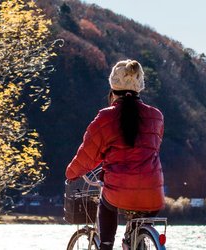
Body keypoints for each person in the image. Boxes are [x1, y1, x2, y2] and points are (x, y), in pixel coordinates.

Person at [65, 59, 165, 250]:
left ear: (113, 88)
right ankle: (135, 241)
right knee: (138, 227)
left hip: (118, 191)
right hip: (153, 192)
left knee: (107, 203)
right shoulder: (156, 116)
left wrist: (72, 173)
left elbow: (88, 154)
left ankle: (106, 245)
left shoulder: (106, 117)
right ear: (140, 86)